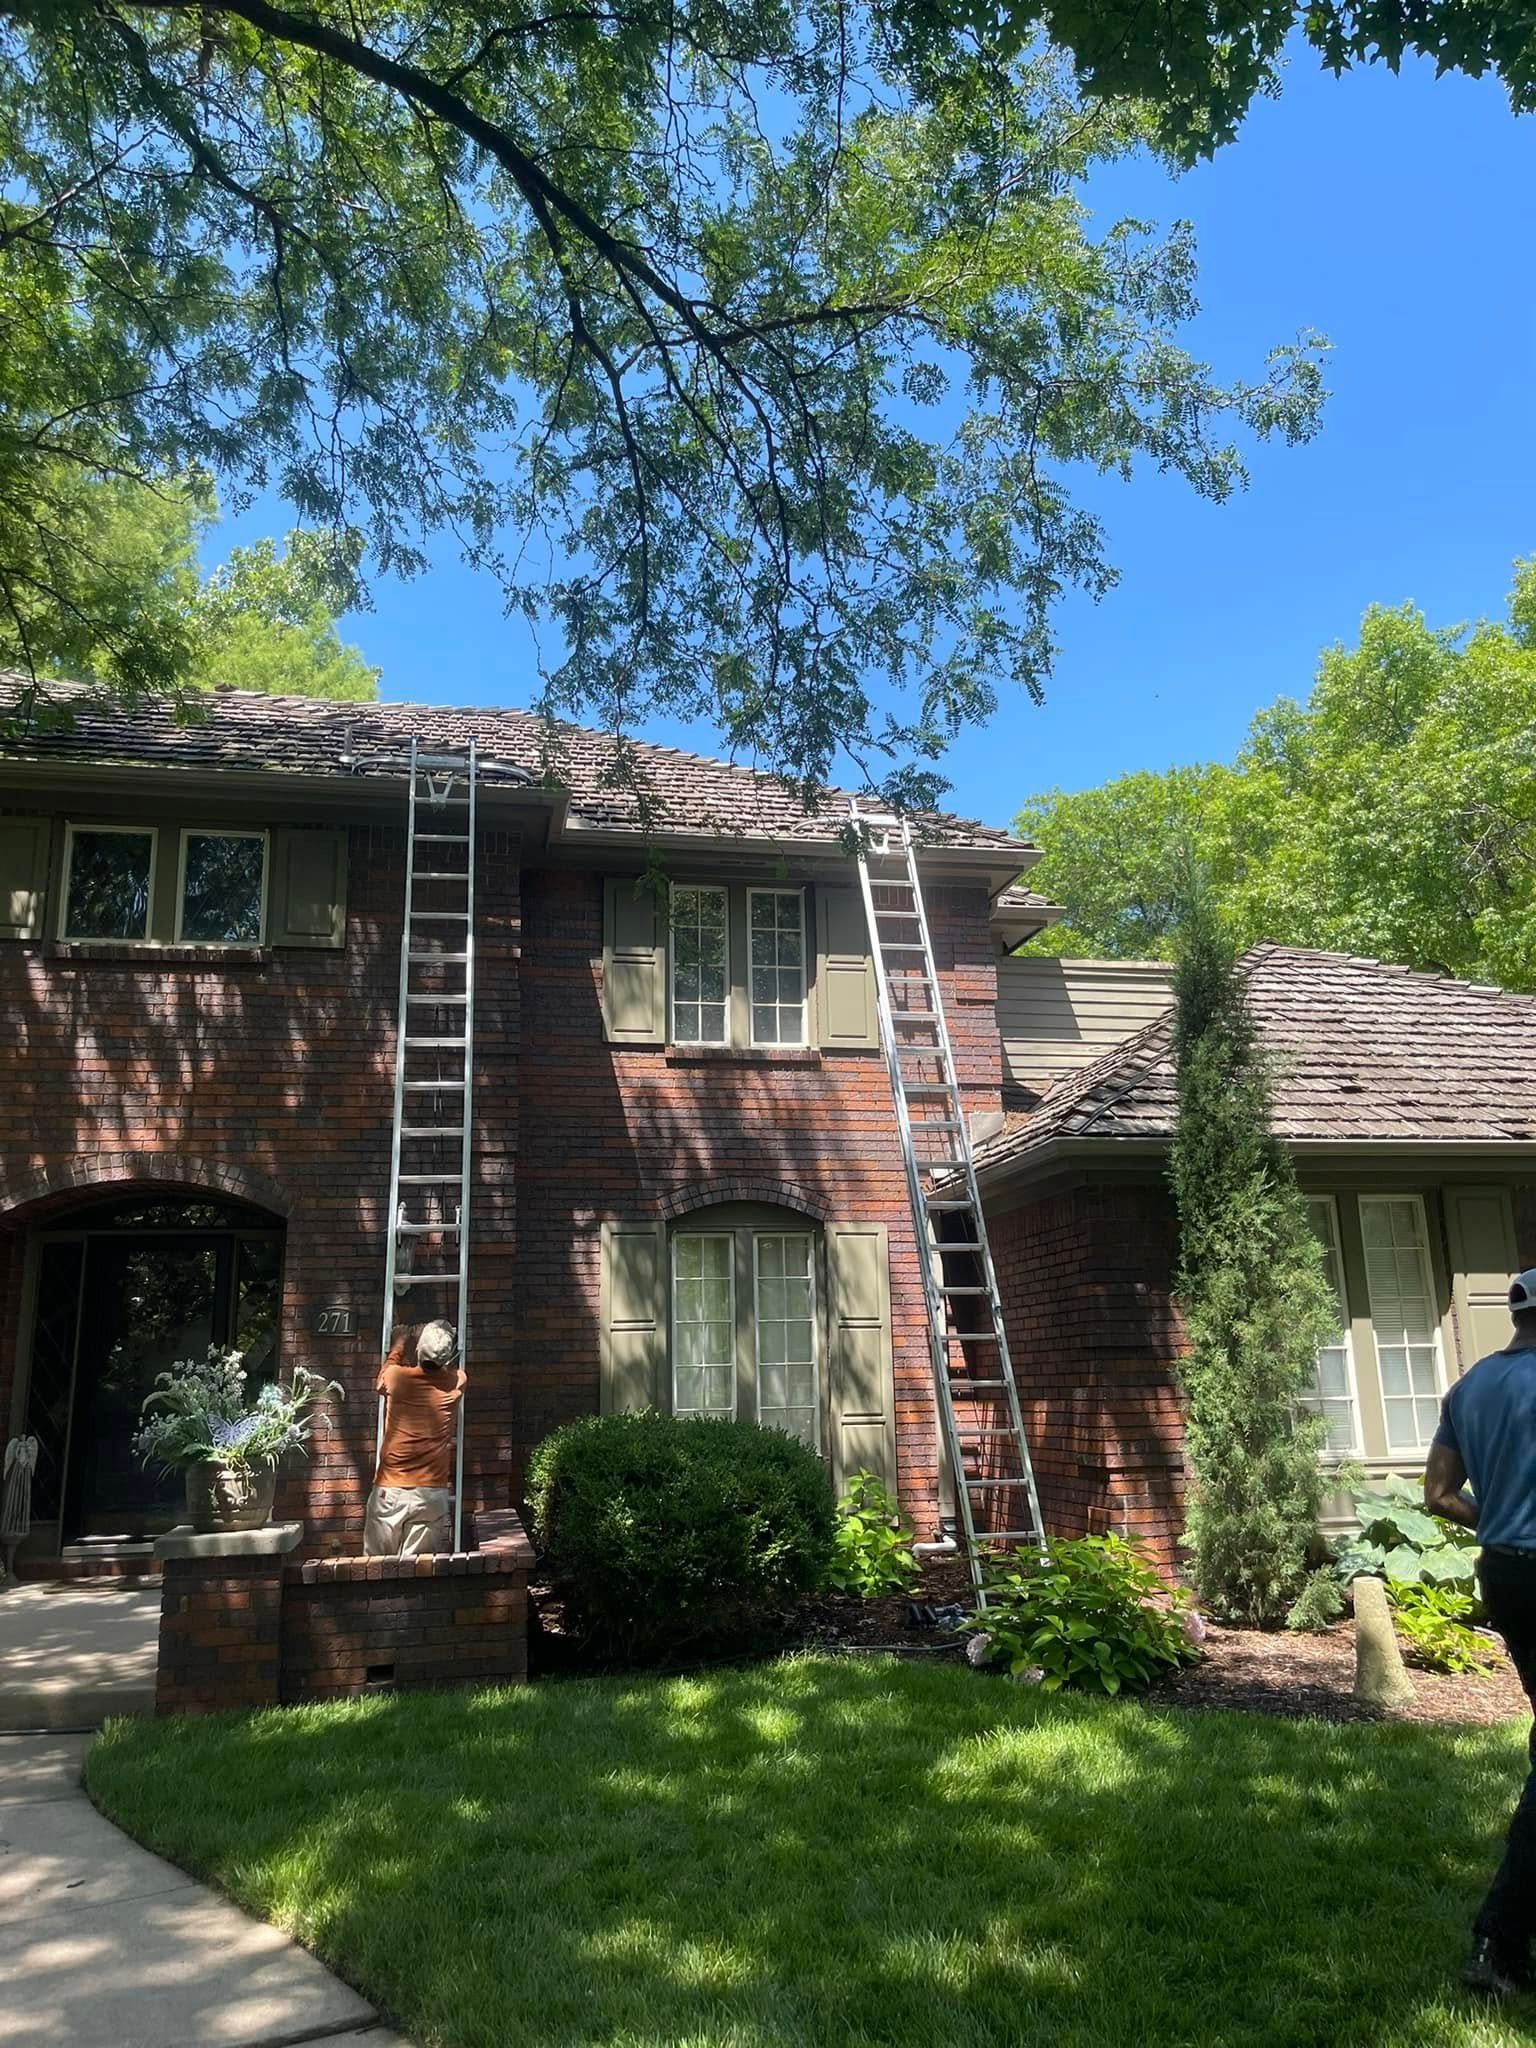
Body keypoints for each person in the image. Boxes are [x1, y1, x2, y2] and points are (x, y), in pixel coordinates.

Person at [1425, 1266, 1536, 1998]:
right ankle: (1498, 1940)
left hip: (1508, 1576)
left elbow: (1436, 1494)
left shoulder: (1468, 1389)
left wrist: (1496, 1519)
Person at [363, 1319, 466, 1557]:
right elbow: (443, 1367)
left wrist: (399, 1343)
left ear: (419, 1349)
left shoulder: (395, 1378)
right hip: (431, 1495)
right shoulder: (458, 1381)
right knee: (417, 1573)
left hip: (391, 1491)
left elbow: (383, 1377)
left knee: (376, 1570)